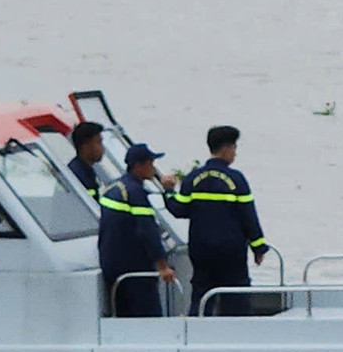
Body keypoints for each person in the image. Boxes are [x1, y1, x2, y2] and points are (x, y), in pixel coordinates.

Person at [167, 125, 268, 316]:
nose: (235, 154)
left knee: (202, 295)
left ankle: (196, 333)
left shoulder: (192, 178)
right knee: (236, 296)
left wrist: (168, 192)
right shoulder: (236, 179)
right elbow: (248, 216)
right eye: (234, 148)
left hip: (201, 249)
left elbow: (179, 210)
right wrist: (259, 247)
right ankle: (238, 335)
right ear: (226, 148)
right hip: (231, 250)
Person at [98, 144, 176, 317]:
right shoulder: (135, 193)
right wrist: (163, 266)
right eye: (150, 163)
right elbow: (146, 230)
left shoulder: (113, 188)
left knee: (124, 317)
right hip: (135, 271)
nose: (153, 168)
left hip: (113, 268)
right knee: (148, 318)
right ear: (137, 166)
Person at [66, 121, 105, 196]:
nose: (102, 148)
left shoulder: (86, 171)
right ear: (85, 146)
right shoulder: (76, 175)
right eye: (98, 142)